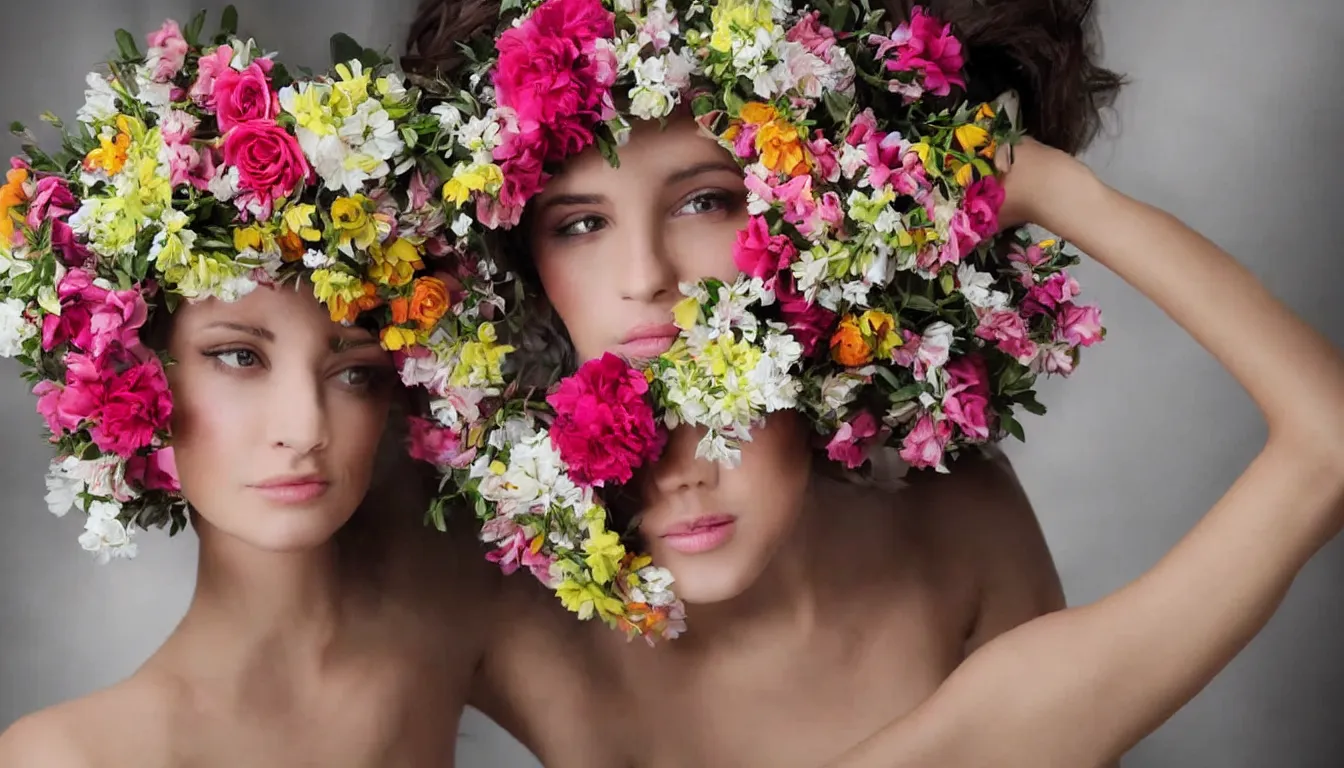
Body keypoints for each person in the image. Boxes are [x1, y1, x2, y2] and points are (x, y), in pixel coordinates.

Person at [401, 0, 1344, 766]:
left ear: (810, 204)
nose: (645, 275)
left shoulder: (957, 520)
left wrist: (1048, 188)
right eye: (578, 223)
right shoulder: (492, 575)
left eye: (706, 200)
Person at [0, 282, 497, 767]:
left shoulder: (462, 619)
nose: (304, 432)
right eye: (240, 356)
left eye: (355, 373)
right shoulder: (64, 756)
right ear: (129, 372)